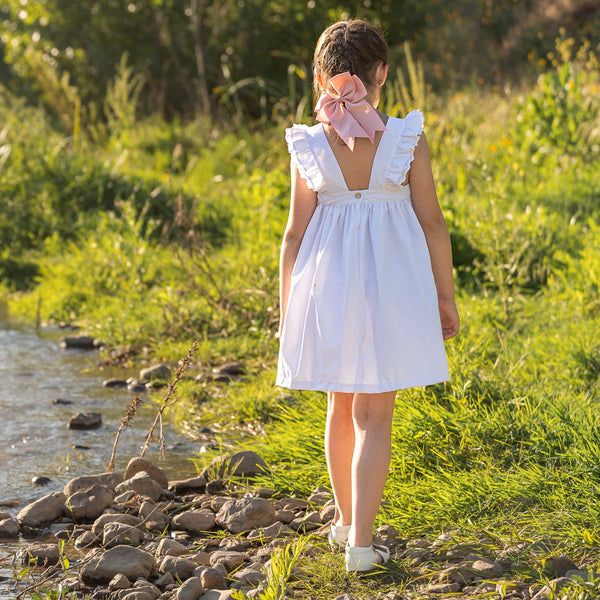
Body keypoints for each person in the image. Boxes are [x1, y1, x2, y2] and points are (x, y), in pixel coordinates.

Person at [276, 19, 459, 573]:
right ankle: (361, 543)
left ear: (319, 78)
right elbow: (432, 224)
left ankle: (343, 521)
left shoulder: (309, 141)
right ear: (382, 73)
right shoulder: (406, 137)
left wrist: (289, 310)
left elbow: (293, 233)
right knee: (375, 415)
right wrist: (444, 297)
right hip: (392, 287)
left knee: (339, 403)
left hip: (327, 285)